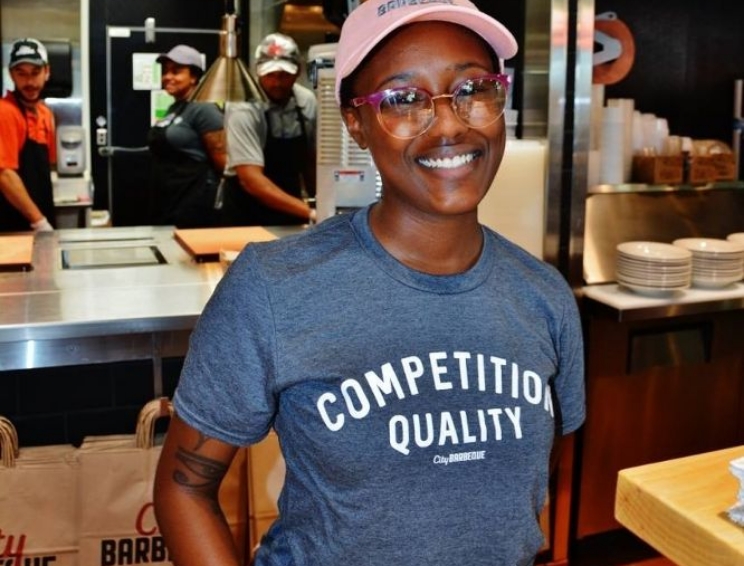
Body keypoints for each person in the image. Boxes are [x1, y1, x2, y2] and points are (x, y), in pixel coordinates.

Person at [154, 1, 586, 565]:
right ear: (355, 123)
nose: (450, 123)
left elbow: (526, 492)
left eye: (473, 89)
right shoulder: (274, 287)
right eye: (403, 100)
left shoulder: (545, 296)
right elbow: (183, 486)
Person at [220, 33, 316, 226]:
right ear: (258, 71)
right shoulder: (243, 106)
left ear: (298, 72)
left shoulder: (307, 101)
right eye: (270, 75)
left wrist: (321, 203)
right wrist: (311, 213)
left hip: (291, 208)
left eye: (284, 75)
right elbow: (250, 179)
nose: (277, 83)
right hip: (245, 212)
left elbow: (311, 162)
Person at [147, 44, 226, 228]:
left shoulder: (203, 108)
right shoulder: (174, 108)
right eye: (165, 72)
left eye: (176, 71)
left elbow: (223, 162)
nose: (167, 77)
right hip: (169, 199)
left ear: (194, 77)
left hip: (193, 204)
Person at [0, 38, 56, 232]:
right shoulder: (5, 112)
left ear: (47, 72)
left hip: (41, 220)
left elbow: (47, 168)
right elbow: (4, 174)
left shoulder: (46, 113)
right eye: (21, 73)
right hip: (12, 226)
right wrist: (39, 222)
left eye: (35, 72)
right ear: (11, 75)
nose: (30, 82)